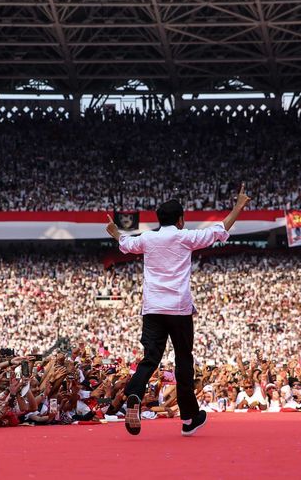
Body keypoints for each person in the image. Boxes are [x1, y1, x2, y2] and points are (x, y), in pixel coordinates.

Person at [104, 183, 251, 436]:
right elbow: (219, 230)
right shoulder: (185, 237)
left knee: (150, 357)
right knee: (183, 360)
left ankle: (135, 394)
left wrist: (115, 231)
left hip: (152, 308)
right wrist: (238, 206)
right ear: (181, 220)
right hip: (179, 310)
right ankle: (189, 418)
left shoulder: (149, 238)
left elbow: (126, 243)